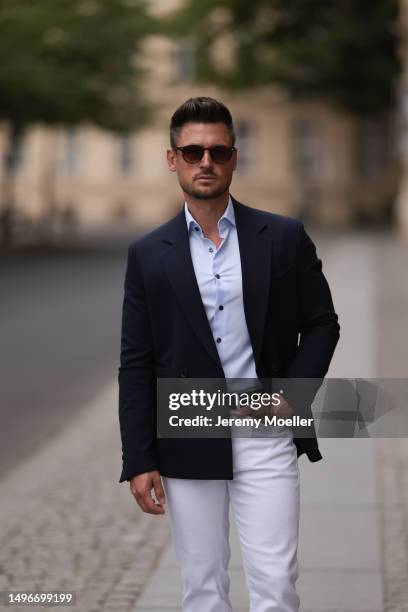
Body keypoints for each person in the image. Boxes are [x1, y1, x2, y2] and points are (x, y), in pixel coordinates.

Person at [118, 96, 340, 612]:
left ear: (234, 157)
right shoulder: (149, 254)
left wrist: (289, 397)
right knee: (202, 587)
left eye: (217, 151)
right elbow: (136, 360)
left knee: (276, 583)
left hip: (266, 432)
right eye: (193, 152)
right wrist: (138, 457)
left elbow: (322, 323)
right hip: (187, 431)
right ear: (172, 158)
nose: (206, 162)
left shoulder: (283, 238)